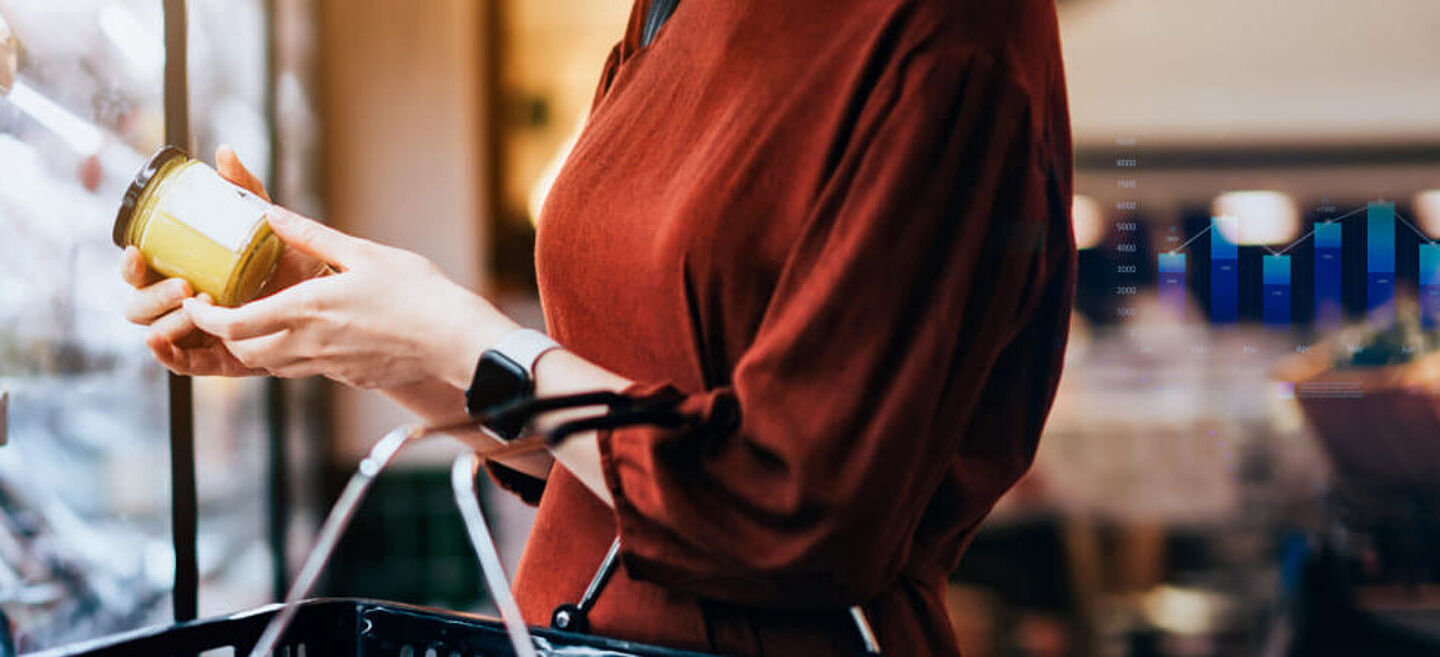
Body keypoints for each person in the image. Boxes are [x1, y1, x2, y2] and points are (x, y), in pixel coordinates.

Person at [122, 0, 1075, 654]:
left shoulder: (948, 36)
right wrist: (336, 319)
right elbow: (620, 457)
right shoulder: (670, 10)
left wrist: (457, 334)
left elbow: (797, 507)